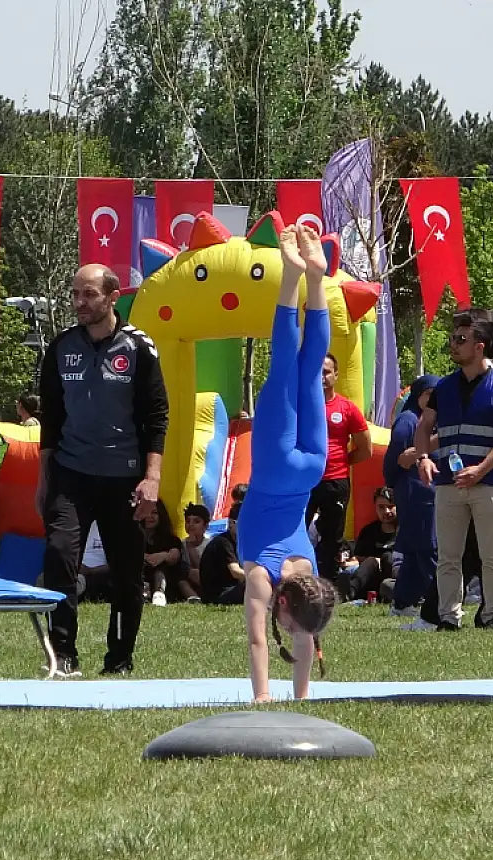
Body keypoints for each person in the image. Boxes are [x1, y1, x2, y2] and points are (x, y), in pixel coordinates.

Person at [38, 262, 170, 677]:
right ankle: (63, 654)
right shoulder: (60, 347)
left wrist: (152, 479)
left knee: (127, 573)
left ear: (113, 297)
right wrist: (44, 481)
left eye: (88, 295)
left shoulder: (140, 348)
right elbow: (51, 421)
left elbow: (157, 416)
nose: (79, 302)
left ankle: (119, 659)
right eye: (75, 294)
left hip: (125, 479)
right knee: (60, 556)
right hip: (71, 474)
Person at [238, 226, 341, 702]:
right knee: (286, 365)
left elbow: (304, 633)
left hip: (310, 471)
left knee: (308, 366)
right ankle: (292, 277)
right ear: (285, 602)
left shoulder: (309, 574)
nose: (290, 628)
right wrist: (263, 695)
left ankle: (315, 280)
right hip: (276, 467)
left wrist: (299, 699)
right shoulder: (263, 578)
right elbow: (260, 639)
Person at [414, 310, 493, 630]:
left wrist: (480, 469)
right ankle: (448, 617)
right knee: (448, 556)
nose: (453, 345)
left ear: (480, 345)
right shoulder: (444, 387)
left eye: (460, 339)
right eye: (452, 338)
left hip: (488, 482)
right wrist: (423, 458)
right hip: (448, 483)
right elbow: (424, 427)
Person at [309, 354, 371, 579]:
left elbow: (366, 449)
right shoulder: (300, 405)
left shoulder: (347, 408)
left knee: (332, 538)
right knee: (294, 532)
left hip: (335, 482)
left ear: (336, 375)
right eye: (317, 372)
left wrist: (341, 463)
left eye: (326, 372)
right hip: (304, 481)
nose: (321, 377)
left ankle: (329, 587)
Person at [385, 375, 439, 613]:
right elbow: (397, 458)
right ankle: (436, 599)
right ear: (419, 395)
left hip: (427, 490)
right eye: (429, 393)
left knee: (418, 548)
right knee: (428, 546)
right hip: (416, 490)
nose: (434, 398)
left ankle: (404, 600)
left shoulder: (433, 420)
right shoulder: (408, 420)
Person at [343, 487, 398, 604]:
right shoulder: (369, 531)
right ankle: (348, 594)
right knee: (370, 561)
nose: (386, 511)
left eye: (390, 506)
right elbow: (358, 559)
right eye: (381, 507)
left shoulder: (405, 531)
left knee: (388, 557)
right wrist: (345, 563)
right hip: (371, 579)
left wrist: (381, 561)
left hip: (395, 578)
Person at [200, 492, 245, 605]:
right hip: (218, 595)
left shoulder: (240, 542)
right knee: (254, 583)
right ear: (231, 524)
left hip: (231, 590)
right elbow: (235, 571)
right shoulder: (223, 542)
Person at [141, 500, 183, 605]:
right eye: (146, 512)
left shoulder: (171, 539)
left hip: (165, 580)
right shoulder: (133, 538)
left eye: (154, 513)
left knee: (161, 567)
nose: (149, 516)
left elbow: (175, 557)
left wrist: (163, 556)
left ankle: (159, 594)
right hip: (140, 577)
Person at [178, 504, 211, 602]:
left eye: (196, 521)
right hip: (189, 580)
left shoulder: (210, 544)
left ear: (205, 526)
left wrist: (191, 547)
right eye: (188, 521)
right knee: (181, 578)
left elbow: (201, 567)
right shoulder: (182, 544)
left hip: (206, 579)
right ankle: (193, 597)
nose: (191, 525)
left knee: (194, 572)